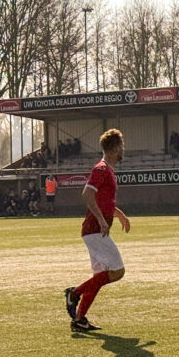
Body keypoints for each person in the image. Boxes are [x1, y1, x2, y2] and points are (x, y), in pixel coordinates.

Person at [64, 129, 131, 333]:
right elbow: (87, 195)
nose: (123, 150)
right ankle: (74, 293)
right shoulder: (101, 169)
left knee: (100, 277)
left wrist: (119, 215)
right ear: (114, 148)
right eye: (121, 146)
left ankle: (79, 320)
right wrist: (102, 220)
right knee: (117, 272)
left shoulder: (107, 170)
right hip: (95, 229)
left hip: (95, 229)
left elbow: (104, 201)